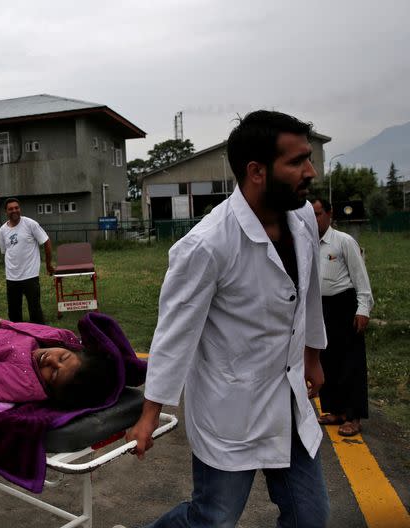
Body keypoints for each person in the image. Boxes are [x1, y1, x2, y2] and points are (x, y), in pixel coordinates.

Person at [125, 110, 329, 527]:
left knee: (310, 517)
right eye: (296, 162)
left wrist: (312, 355)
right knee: (213, 519)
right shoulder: (206, 245)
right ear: (256, 171)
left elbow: (308, 292)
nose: (310, 171)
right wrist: (149, 413)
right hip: (232, 408)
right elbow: (174, 333)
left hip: (288, 398)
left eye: (308, 158)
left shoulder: (303, 217)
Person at [312, 197, 373, 437]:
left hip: (344, 306)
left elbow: (360, 277)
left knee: (351, 363)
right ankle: (335, 410)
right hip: (321, 307)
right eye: (311, 215)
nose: (314, 219)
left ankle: (353, 416)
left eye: (318, 214)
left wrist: (363, 308)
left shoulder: (344, 241)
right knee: (327, 360)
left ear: (330, 214)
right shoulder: (308, 244)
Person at [0, 198, 54, 324]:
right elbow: (5, 252)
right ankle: (18, 340)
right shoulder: (2, 230)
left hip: (30, 275)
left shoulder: (30, 224)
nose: (14, 210)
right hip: (12, 278)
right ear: (6, 212)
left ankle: (41, 339)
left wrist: (48, 264)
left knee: (35, 311)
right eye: (11, 209)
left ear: (20, 209)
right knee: (14, 313)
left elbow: (46, 241)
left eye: (16, 208)